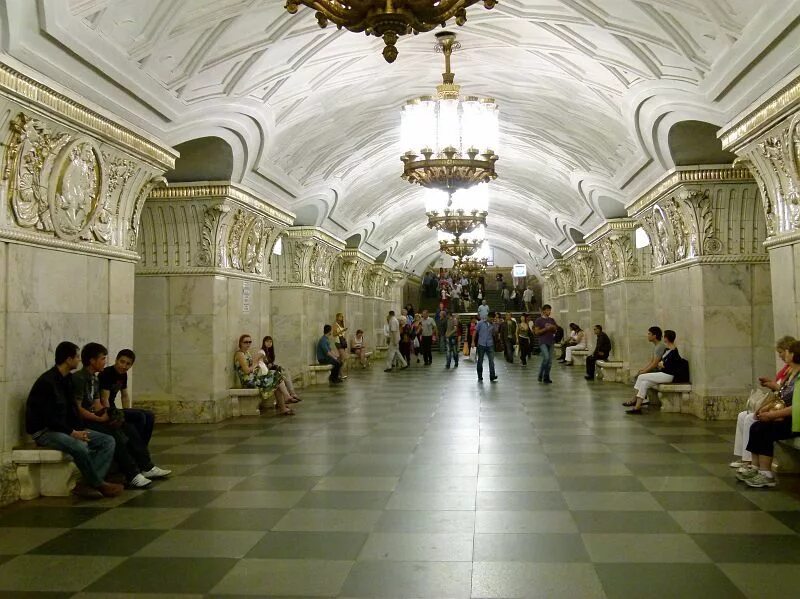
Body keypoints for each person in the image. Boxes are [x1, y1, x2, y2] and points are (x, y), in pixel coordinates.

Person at [25, 341, 122, 500]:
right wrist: (73, 433)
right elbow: (49, 418)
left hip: (65, 428)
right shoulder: (47, 382)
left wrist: (79, 429)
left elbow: (72, 410)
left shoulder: (67, 379)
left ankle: (87, 484)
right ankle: (99, 484)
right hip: (45, 431)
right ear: (68, 359)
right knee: (79, 447)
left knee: (108, 441)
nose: (79, 360)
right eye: (76, 357)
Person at [74, 342, 168, 489]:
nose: (105, 361)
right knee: (114, 435)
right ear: (92, 361)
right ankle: (132, 474)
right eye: (103, 358)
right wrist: (101, 418)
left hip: (96, 416)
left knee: (128, 427)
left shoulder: (94, 378)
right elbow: (78, 409)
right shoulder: (79, 379)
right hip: (84, 421)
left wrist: (111, 414)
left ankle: (145, 466)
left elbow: (97, 403)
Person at [737, 340, 800, 488]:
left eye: (788, 352)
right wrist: (766, 409)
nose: (785, 355)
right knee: (756, 427)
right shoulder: (792, 374)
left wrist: (771, 415)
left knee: (765, 430)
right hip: (790, 417)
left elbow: (797, 407)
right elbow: (784, 396)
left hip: (796, 421)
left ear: (794, 355)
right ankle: (757, 468)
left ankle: (766, 474)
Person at [98, 349, 155, 445]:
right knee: (139, 416)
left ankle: (142, 446)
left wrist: (128, 410)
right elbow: (104, 399)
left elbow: (124, 396)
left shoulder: (123, 375)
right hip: (107, 410)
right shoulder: (106, 373)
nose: (124, 366)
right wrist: (111, 416)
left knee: (149, 415)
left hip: (114, 408)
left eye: (128, 364)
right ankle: (135, 446)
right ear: (116, 360)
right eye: (122, 362)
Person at [625, 330, 688, 414]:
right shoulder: (667, 350)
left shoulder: (674, 352)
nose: (663, 338)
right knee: (644, 383)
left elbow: (669, 367)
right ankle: (637, 408)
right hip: (664, 374)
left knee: (641, 376)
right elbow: (661, 362)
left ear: (666, 338)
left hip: (668, 375)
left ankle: (634, 399)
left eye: (664, 336)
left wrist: (662, 365)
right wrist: (661, 364)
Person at [235, 334, 296, 414]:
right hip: (249, 381)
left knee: (276, 377)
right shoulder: (240, 354)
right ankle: (286, 399)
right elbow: (246, 371)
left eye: (250, 342)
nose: (248, 344)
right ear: (240, 343)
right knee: (276, 377)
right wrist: (255, 364)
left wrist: (257, 363)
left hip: (255, 377)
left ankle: (284, 405)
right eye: (245, 342)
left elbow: (253, 365)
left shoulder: (247, 353)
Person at [534, 305, 558, 384]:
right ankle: (540, 374)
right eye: (548, 310)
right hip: (543, 341)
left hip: (551, 341)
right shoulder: (539, 320)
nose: (549, 312)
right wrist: (545, 329)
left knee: (550, 361)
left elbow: (555, 330)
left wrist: (552, 327)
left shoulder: (552, 320)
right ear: (543, 311)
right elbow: (536, 332)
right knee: (546, 358)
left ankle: (546, 377)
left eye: (550, 310)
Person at [473, 314, 497, 382]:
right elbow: (475, 331)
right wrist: (473, 341)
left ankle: (492, 376)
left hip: (490, 344)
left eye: (493, 319)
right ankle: (480, 376)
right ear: (488, 317)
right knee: (480, 361)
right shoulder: (480, 323)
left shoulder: (493, 324)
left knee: (491, 361)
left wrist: (495, 325)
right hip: (481, 344)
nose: (492, 320)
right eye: (492, 319)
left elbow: (495, 333)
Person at [332, 313, 349, 379]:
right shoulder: (335, 325)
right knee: (344, 357)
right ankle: (340, 372)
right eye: (340, 316)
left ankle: (338, 373)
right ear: (337, 317)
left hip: (342, 342)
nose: (342, 317)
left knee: (340, 358)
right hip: (338, 342)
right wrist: (342, 331)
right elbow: (334, 334)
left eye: (342, 316)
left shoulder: (341, 324)